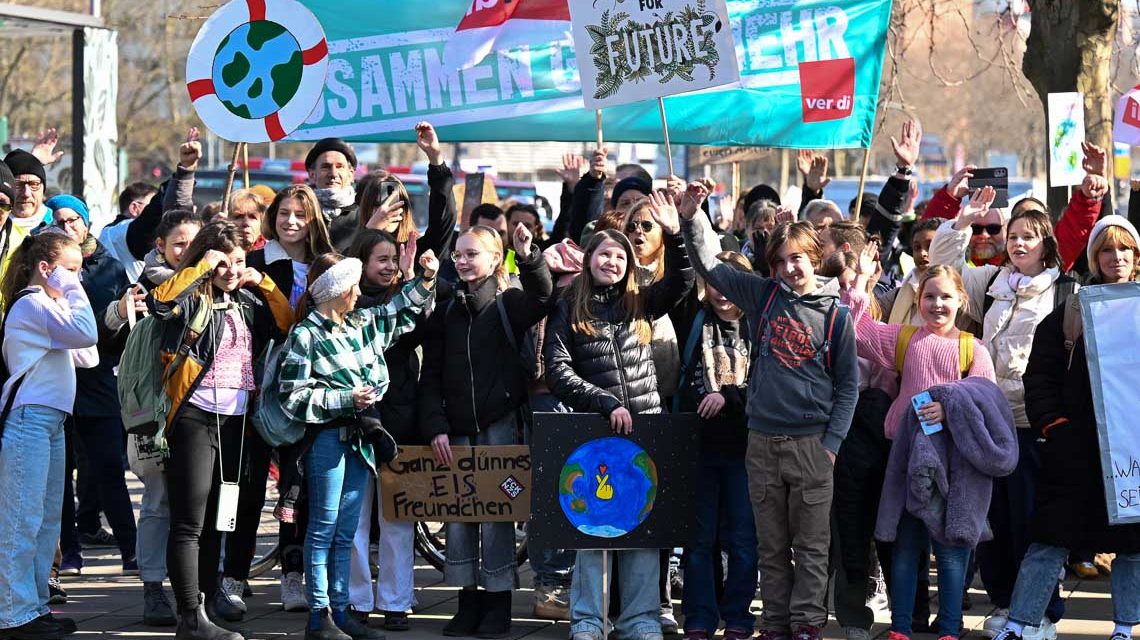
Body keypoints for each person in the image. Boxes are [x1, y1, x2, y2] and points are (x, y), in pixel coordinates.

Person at [680, 182, 858, 640]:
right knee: (771, 545)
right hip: (761, 442)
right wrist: (692, 216)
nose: (787, 267)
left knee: (812, 545)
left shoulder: (836, 315)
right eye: (778, 261)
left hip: (812, 446)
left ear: (813, 258)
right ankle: (775, 621)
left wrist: (831, 447)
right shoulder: (763, 297)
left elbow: (848, 388)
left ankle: (806, 623)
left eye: (796, 258)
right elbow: (710, 266)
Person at [928, 185, 1098, 638]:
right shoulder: (991, 283)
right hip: (988, 421)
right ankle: (1005, 602)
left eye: (1029, 236)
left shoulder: (1065, 292)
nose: (1019, 243)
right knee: (994, 522)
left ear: (1046, 244)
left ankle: (1040, 610)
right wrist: (962, 222)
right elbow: (944, 267)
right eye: (1014, 235)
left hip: (1033, 423)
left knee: (1033, 521)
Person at [544, 192, 692, 640]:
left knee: (642, 528)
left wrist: (677, 234)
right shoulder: (569, 306)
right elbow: (557, 369)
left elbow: (682, 282)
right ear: (589, 259)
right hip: (594, 431)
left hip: (646, 427)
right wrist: (604, 402)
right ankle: (588, 619)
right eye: (604, 254)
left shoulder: (641, 302)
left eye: (620, 255)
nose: (612, 261)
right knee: (592, 529)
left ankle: (640, 619)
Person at [843, 244, 1006, 640]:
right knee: (905, 549)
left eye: (946, 297)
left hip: (953, 467)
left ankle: (950, 627)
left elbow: (988, 401)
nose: (937, 305)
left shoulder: (973, 348)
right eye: (929, 297)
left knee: (951, 551)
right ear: (918, 301)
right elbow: (856, 329)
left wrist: (951, 412)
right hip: (904, 460)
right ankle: (900, 627)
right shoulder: (904, 339)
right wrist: (863, 280)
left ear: (961, 300)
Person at [279, 249, 437, 640]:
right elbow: (291, 396)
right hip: (328, 439)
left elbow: (401, 309)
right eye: (351, 286)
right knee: (322, 529)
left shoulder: (360, 323)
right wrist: (345, 400)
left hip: (361, 440)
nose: (358, 292)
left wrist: (427, 277)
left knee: (346, 531)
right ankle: (319, 616)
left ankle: (340, 610)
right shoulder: (306, 335)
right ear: (335, 291)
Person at [995, 215, 1140, 640]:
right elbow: (1039, 375)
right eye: (1107, 249)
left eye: (1125, 249)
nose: (1117, 257)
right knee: (1049, 540)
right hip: (1076, 450)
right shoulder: (1073, 310)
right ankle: (1020, 623)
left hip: (1132, 451)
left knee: (1133, 546)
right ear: (1095, 256)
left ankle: (1125, 626)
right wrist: (1056, 426)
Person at [147, 222, 292, 640]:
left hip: (235, 421)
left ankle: (208, 602)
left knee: (218, 519)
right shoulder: (191, 296)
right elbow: (159, 304)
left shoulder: (246, 299)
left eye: (239, 262)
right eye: (223, 262)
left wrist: (260, 279)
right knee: (189, 522)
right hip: (192, 416)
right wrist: (199, 268)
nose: (231, 270)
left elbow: (284, 323)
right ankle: (189, 616)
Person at [345, 122, 457, 629]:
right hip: (352, 405)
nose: (394, 218)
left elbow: (445, 227)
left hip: (402, 404)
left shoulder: (415, 267)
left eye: (399, 207)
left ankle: (395, 600)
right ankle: (356, 598)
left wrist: (436, 164)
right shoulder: (346, 273)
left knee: (398, 513)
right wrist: (367, 226)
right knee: (352, 513)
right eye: (382, 205)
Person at [419, 222, 552, 638]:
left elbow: (544, 296)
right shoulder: (446, 308)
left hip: (500, 427)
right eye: (457, 255)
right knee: (459, 518)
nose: (461, 261)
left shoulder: (509, 302)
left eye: (471, 253)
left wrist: (529, 257)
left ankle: (498, 604)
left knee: (498, 518)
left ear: (495, 258)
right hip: (457, 430)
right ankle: (466, 601)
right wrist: (436, 426)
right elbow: (432, 374)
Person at [241, 184, 335, 614]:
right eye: (284, 213)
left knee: (298, 491)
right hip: (259, 391)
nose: (291, 221)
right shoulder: (255, 263)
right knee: (248, 485)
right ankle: (233, 574)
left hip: (309, 391)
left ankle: (293, 576)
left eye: (301, 213)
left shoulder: (326, 267)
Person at [107, 207, 203, 627]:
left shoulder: (213, 285)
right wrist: (121, 309)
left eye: (194, 243)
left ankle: (198, 588)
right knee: (159, 501)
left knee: (197, 505)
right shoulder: (146, 288)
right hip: (154, 415)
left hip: (202, 411)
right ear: (160, 247)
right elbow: (109, 329)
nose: (188, 251)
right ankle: (152, 585)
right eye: (179, 243)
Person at [0, 232, 98, 640]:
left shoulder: (50, 306)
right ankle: (12, 615)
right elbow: (89, 334)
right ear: (46, 269)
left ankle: (34, 606)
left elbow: (87, 355)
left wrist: (67, 292)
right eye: (71, 270)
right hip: (29, 421)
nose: (77, 279)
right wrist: (70, 288)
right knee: (21, 521)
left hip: (53, 422)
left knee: (44, 523)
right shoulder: (31, 303)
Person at [45, 194, 139, 581]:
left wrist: (113, 319)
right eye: (60, 221)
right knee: (60, 477)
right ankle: (70, 552)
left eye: (74, 220)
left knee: (109, 470)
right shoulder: (42, 266)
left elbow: (120, 336)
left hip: (99, 383)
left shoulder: (108, 267)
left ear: (86, 222)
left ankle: (132, 550)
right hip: (57, 385)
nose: (68, 227)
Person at [674, 251, 756, 640]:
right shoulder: (695, 319)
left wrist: (729, 395)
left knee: (742, 537)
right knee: (699, 539)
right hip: (700, 447)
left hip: (746, 448)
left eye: (731, 284)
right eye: (714, 283)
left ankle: (738, 614)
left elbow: (768, 382)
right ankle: (700, 616)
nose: (722, 293)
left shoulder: (759, 325)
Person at [306, 138, 358, 251]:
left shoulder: (362, 216)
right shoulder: (300, 212)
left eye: (340, 167)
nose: (333, 174)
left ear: (351, 175)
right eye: (326, 167)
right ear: (312, 174)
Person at [4, 149, 50, 230]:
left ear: (43, 190)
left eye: (34, 184)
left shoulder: (62, 224)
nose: (26, 194)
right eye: (18, 184)